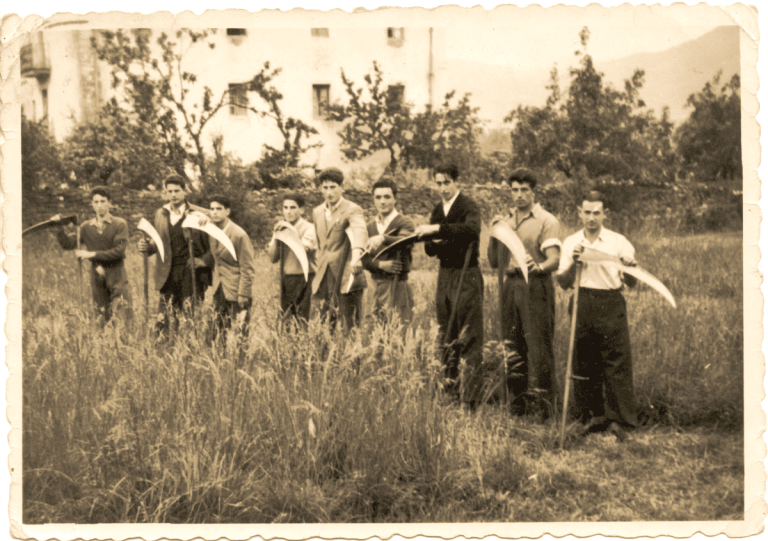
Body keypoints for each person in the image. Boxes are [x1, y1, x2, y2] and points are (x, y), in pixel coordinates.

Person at [556, 190, 639, 439]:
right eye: (587, 212)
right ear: (579, 213)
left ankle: (620, 421)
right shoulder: (571, 242)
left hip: (610, 302)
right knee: (584, 361)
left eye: (596, 213)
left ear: (605, 214)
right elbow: (562, 282)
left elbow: (633, 282)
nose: (591, 218)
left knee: (616, 362)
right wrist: (574, 262)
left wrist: (630, 267)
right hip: (582, 300)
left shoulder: (618, 241)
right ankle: (590, 417)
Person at [487, 168, 561, 418]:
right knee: (512, 346)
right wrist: (493, 232)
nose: (519, 195)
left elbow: (555, 260)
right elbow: (494, 262)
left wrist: (539, 267)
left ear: (533, 191)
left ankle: (545, 409)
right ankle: (517, 406)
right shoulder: (505, 221)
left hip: (536, 286)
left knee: (539, 347)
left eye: (524, 190)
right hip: (510, 286)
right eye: (514, 190)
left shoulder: (546, 220)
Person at [414, 164, 484, 408]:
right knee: (447, 332)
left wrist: (439, 231)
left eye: (446, 183)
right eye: (438, 183)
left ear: (456, 183)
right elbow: (430, 248)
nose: (442, 188)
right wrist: (442, 239)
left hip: (467, 275)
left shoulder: (467, 206)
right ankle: (450, 389)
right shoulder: (437, 209)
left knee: (469, 333)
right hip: (445, 275)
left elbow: (472, 229)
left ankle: (471, 397)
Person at [138, 174, 212, 332]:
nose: (173, 195)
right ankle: (162, 348)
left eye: (177, 191)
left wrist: (204, 260)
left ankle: (189, 349)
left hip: (191, 272)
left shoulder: (199, 214)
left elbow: (217, 241)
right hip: (168, 271)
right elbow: (159, 240)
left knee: (189, 315)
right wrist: (148, 246)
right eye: (169, 191)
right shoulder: (161, 213)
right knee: (164, 314)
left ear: (185, 191)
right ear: (165, 192)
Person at [52, 187, 133, 324]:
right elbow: (68, 244)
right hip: (97, 277)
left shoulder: (120, 224)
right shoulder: (85, 227)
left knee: (122, 318)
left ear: (109, 203)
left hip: (116, 276)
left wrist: (91, 254)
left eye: (103, 201)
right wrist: (59, 228)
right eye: (96, 202)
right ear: (92, 204)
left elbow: (119, 251)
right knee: (101, 319)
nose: (99, 205)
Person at [311, 167, 367, 329]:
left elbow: (360, 231)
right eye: (325, 187)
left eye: (333, 187)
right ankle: (326, 353)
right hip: (323, 275)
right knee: (324, 323)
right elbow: (321, 245)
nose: (329, 192)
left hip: (345, 275)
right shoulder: (317, 212)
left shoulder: (352, 209)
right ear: (320, 188)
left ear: (342, 187)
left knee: (349, 324)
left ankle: (351, 353)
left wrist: (357, 256)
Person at [361, 178, 416, 325]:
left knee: (398, 331)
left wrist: (383, 238)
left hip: (396, 285)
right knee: (372, 331)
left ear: (395, 199)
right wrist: (380, 265)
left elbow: (406, 240)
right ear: (373, 200)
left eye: (387, 197)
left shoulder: (405, 222)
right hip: (374, 286)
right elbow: (363, 259)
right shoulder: (370, 226)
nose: (382, 201)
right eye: (378, 197)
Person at [201, 195, 255, 340]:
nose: (215, 212)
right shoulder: (211, 231)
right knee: (214, 331)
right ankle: (218, 360)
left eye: (219, 209)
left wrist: (244, 293)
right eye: (212, 209)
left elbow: (247, 268)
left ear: (227, 211)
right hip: (219, 288)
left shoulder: (239, 235)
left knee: (240, 332)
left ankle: (240, 361)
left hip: (237, 290)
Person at [267, 193, 317, 324]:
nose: (288, 212)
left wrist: (290, 230)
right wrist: (277, 238)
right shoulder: (281, 228)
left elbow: (301, 251)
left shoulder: (310, 228)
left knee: (303, 319)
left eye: (293, 207)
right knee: (286, 320)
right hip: (287, 279)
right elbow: (272, 258)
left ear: (301, 210)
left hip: (305, 278)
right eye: (285, 207)